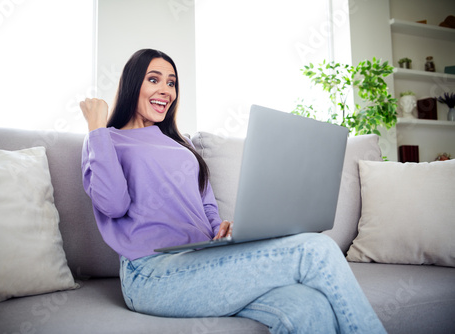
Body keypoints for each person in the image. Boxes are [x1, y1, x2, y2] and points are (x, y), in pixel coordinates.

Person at [80, 48, 386, 334]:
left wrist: (221, 232)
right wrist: (96, 127)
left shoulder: (181, 144)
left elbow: (207, 206)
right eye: (154, 79)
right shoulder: (106, 141)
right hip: (152, 275)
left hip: (204, 262)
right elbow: (113, 204)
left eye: (171, 83)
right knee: (315, 249)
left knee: (308, 305)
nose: (166, 90)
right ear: (133, 84)